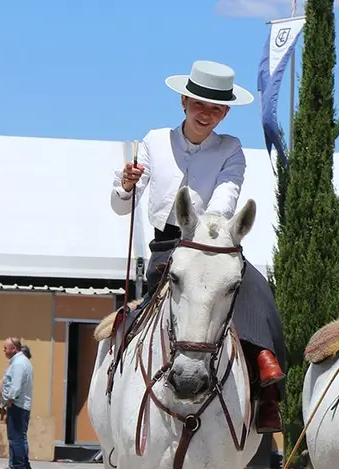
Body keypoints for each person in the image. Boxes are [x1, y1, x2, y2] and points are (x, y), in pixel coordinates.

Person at [111, 60, 287, 434]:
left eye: (216, 108)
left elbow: (227, 197)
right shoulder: (153, 141)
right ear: (184, 102)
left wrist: (208, 231)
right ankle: (116, 374)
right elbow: (123, 205)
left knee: (256, 287)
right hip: (168, 245)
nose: (206, 113)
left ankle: (267, 380)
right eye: (199, 104)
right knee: (142, 315)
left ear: (225, 112)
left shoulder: (232, 148)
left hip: (216, 242)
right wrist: (126, 186)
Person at [0, 337, 34, 469]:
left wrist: (9, 400)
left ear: (14, 349)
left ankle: (18, 465)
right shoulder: (21, 362)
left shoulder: (19, 364)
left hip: (17, 405)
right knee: (19, 436)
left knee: (16, 437)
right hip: (20, 405)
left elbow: (16, 386)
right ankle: (22, 464)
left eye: (5, 348)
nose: (4, 351)